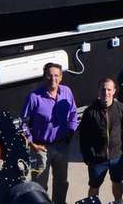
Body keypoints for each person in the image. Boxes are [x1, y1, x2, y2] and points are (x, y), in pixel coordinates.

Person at [21, 62, 79, 204]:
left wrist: (71, 133)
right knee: (40, 184)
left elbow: (73, 114)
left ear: (61, 77)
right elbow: (23, 123)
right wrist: (32, 143)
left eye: (56, 75)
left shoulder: (67, 92)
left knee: (61, 182)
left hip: (62, 145)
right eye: (49, 75)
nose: (53, 78)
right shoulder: (34, 97)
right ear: (44, 77)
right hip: (41, 148)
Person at [79, 77, 123, 204]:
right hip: (97, 160)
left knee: (117, 182)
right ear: (98, 91)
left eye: (109, 89)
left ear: (114, 91)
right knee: (94, 186)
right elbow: (83, 138)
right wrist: (88, 156)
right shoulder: (89, 112)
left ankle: (119, 201)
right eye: (103, 89)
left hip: (117, 157)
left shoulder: (122, 109)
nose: (106, 92)